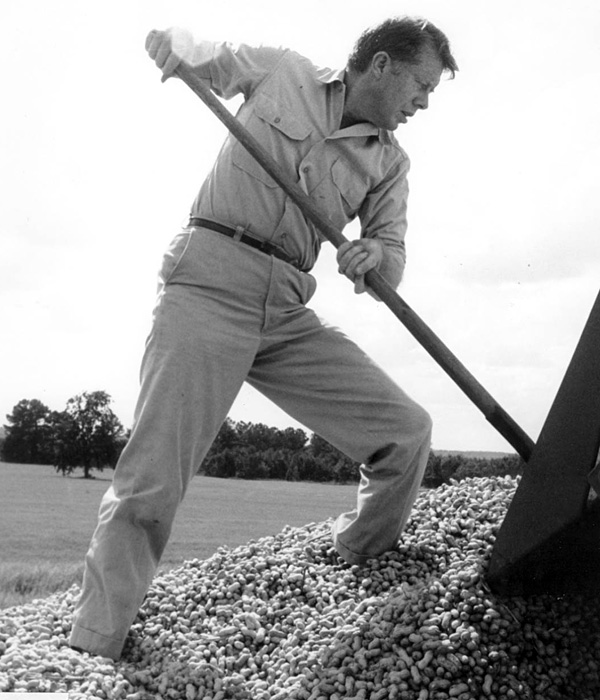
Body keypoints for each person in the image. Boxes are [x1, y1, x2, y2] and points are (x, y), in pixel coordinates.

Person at [69, 16, 457, 660]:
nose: (422, 103)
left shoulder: (390, 160)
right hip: (209, 283)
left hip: (285, 307)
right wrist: (174, 45)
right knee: (152, 483)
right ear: (382, 65)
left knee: (407, 433)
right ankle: (94, 646)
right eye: (420, 85)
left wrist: (372, 261)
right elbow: (211, 59)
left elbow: (390, 254)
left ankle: (358, 555)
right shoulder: (285, 72)